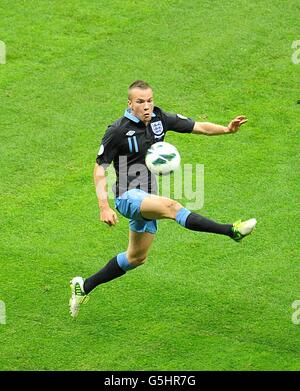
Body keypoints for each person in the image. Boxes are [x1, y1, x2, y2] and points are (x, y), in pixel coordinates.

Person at [69, 80, 256, 318]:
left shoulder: (160, 118)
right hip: (127, 197)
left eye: (149, 100)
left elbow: (198, 127)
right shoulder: (117, 131)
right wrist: (103, 207)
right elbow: (99, 169)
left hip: (147, 197)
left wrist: (227, 129)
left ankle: (83, 286)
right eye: (140, 102)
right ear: (130, 104)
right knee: (172, 207)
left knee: (136, 258)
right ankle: (232, 231)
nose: (146, 106)